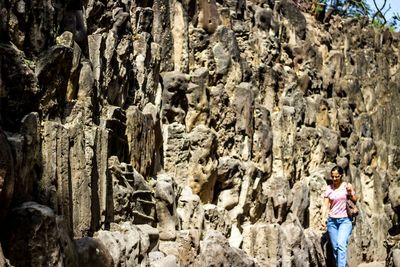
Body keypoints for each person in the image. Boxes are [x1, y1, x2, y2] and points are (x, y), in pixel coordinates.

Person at [322, 165, 357, 267]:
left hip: (345, 220)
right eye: (332, 176)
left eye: (337, 176)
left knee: (341, 245)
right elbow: (325, 205)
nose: (334, 179)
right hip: (332, 222)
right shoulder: (329, 188)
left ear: (341, 176)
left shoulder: (346, 186)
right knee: (336, 248)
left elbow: (355, 200)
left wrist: (350, 192)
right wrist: (323, 217)